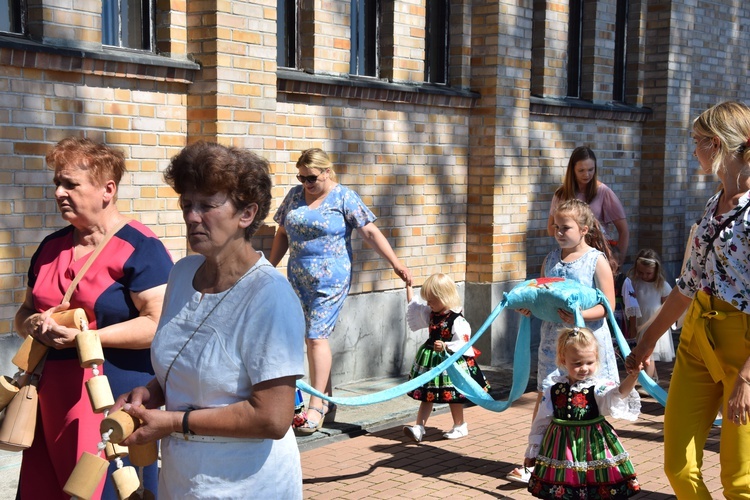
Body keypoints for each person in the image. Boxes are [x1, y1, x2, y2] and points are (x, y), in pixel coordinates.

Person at [112, 141, 306, 498]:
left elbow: (273, 418)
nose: (191, 216)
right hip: (183, 478)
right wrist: (152, 391)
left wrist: (172, 422)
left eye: (207, 205)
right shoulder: (182, 274)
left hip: (246, 483)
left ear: (246, 214)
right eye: (187, 204)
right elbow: (188, 361)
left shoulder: (270, 296)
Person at [14, 137, 173, 499]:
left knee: (105, 488)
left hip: (111, 396)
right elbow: (23, 313)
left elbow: (158, 325)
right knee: (46, 487)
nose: (58, 192)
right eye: (57, 183)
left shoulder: (141, 247)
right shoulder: (51, 246)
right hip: (48, 398)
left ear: (108, 189)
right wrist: (34, 325)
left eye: (70, 184)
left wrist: (87, 339)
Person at [626, 100, 750, 498]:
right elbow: (687, 284)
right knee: (678, 466)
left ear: (716, 145)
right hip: (697, 339)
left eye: (697, 142)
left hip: (743, 349)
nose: (693, 150)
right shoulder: (715, 203)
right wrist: (646, 341)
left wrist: (747, 377)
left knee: (740, 481)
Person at [270, 148, 412, 434]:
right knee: (311, 338)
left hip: (330, 279)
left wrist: (396, 264)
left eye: (311, 177)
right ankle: (328, 399)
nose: (306, 183)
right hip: (298, 277)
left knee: (316, 337)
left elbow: (370, 232)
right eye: (301, 177)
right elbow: (282, 233)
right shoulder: (294, 196)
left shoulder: (344, 197)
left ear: (327, 172)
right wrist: (268, 267)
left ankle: (316, 407)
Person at [508, 198, 620, 483]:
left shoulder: (596, 260)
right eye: (556, 226)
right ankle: (533, 461)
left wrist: (579, 314)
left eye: (565, 227)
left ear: (584, 228)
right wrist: (529, 307)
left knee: (591, 403)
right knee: (547, 398)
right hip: (554, 346)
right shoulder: (550, 259)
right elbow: (542, 296)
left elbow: (608, 305)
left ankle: (598, 464)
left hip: (586, 346)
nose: (559, 232)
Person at [525, 327, 642, 499]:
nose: (584, 368)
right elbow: (541, 421)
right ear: (563, 360)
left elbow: (618, 394)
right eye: (577, 363)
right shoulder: (553, 389)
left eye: (589, 362)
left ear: (596, 359)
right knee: (565, 485)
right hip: (561, 447)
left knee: (595, 484)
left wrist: (632, 377)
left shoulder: (598, 387)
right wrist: (533, 451)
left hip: (592, 444)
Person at [402, 274, 490, 442]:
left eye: (431, 300)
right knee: (427, 393)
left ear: (444, 297)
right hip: (431, 362)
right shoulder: (431, 313)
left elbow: (464, 342)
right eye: (427, 300)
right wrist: (408, 287)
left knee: (454, 395)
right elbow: (414, 308)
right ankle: (419, 426)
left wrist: (446, 346)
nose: (428, 304)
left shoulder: (457, 319)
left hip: (450, 362)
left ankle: (460, 425)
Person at [547, 146, 630, 264]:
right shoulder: (561, 194)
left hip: (597, 257)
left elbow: (624, 230)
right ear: (572, 170)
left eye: (591, 169)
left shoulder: (603, 192)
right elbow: (551, 229)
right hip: (569, 257)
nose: (586, 174)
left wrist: (618, 260)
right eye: (581, 170)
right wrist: (568, 227)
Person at [628, 248, 674, 381]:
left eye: (648, 273)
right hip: (640, 321)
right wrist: (632, 325)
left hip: (654, 323)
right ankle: (653, 377)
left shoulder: (662, 285)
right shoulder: (634, 283)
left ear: (656, 270)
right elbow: (631, 305)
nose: (644, 276)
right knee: (641, 352)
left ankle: (647, 382)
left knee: (649, 354)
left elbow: (668, 306)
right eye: (640, 272)